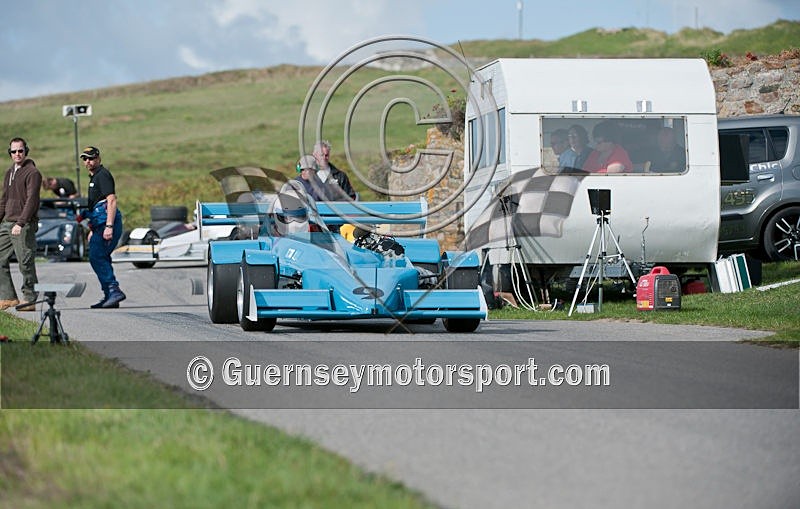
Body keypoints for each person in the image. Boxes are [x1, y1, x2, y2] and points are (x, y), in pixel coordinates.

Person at [81, 146, 126, 308]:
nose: (88, 161)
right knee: (100, 256)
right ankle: (109, 295)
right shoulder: (94, 177)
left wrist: (109, 226)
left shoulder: (103, 175)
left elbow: (111, 200)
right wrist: (92, 230)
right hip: (98, 223)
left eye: (91, 158)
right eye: (85, 159)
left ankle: (113, 290)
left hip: (106, 223)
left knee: (97, 256)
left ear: (99, 159)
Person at [0, 137, 41, 311]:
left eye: (20, 151)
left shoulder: (33, 173)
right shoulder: (9, 172)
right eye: (14, 151)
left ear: (26, 151)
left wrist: (21, 222)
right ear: (10, 153)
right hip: (7, 223)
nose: (17, 154)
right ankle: (8, 296)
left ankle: (30, 298)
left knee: (25, 261)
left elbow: (32, 200)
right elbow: (4, 200)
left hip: (23, 224)